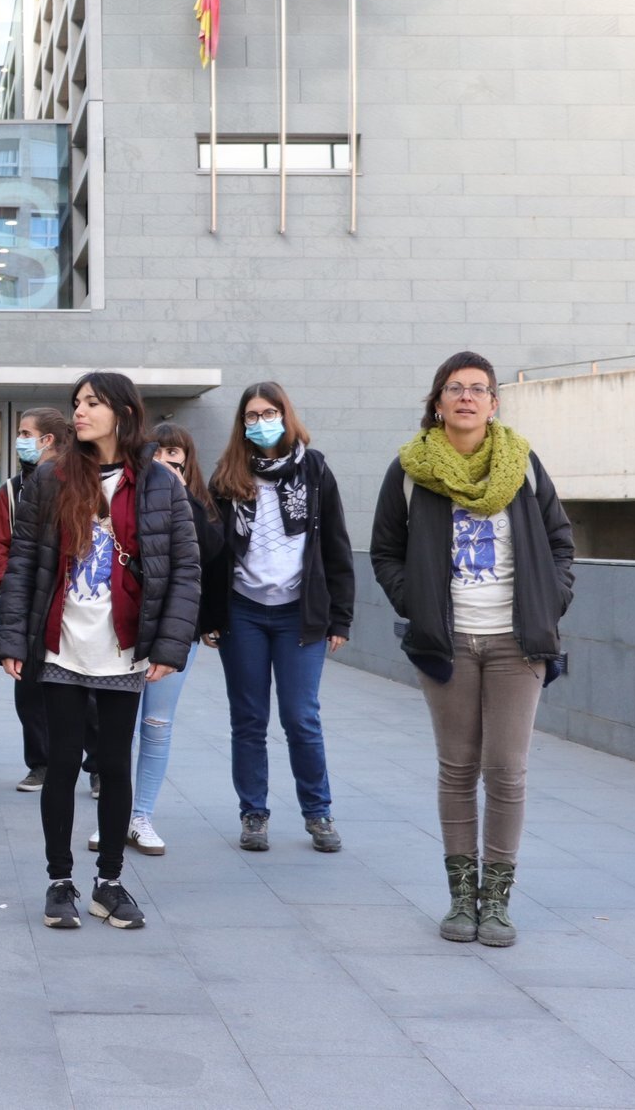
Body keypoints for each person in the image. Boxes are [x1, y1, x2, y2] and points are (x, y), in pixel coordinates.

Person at [370, 352, 574, 948]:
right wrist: (418, 602)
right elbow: (384, 550)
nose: (466, 397)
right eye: (454, 388)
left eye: (477, 388)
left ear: (493, 403)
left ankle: (498, 902)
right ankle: (463, 898)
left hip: (519, 642)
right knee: (458, 770)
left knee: (506, 772)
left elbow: (561, 541)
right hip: (448, 641)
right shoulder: (410, 471)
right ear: (438, 403)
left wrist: (550, 600)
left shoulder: (523, 465)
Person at [0, 372, 201, 931]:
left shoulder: (160, 483)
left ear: (123, 413)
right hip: (62, 645)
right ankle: (59, 881)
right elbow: (24, 564)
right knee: (61, 763)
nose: (78, 412)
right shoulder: (51, 479)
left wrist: (170, 646)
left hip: (124, 648)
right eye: (77, 402)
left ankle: (109, 882)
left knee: (113, 764)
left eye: (92, 403)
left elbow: (184, 570)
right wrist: (14, 638)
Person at [201, 381, 355, 855]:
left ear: (286, 415)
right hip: (243, 613)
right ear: (241, 423)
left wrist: (340, 619)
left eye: (269, 412)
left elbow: (335, 547)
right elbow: (212, 554)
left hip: (299, 615)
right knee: (248, 718)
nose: (261, 422)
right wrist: (208, 614)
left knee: (300, 716)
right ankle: (254, 814)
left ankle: (318, 811)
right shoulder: (227, 476)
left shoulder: (315, 470)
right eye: (251, 415)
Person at [110, 423, 225, 856]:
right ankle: (115, 816)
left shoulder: (200, 504)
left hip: (175, 631)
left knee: (156, 724)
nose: (166, 465)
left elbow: (212, 553)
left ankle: (141, 816)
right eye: (158, 457)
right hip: (125, 628)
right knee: (118, 725)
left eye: (175, 459)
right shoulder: (126, 498)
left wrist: (182, 496)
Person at [0, 408, 68, 793]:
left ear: (47, 439)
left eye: (25, 432)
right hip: (29, 602)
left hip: (67, 602)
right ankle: (39, 763)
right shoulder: (12, 488)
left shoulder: (78, 481)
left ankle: (97, 766)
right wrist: (11, 581)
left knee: (83, 693)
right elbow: (2, 543)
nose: (20, 439)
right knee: (29, 689)